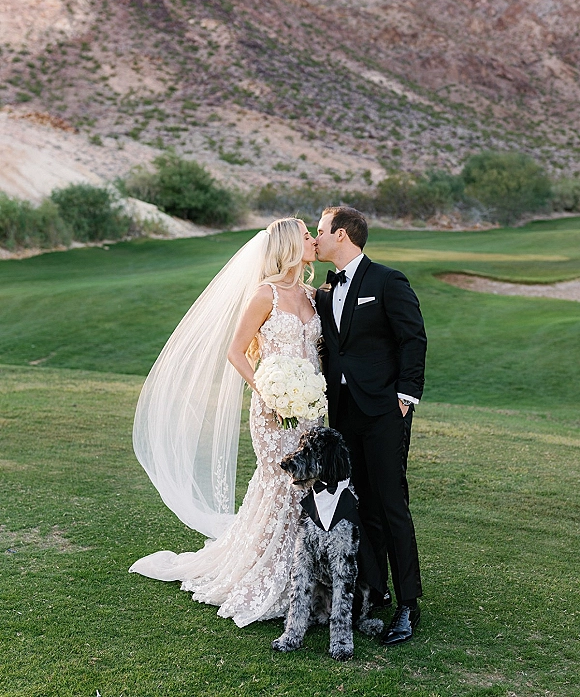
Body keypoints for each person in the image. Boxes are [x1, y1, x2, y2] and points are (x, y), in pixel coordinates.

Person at [129, 218, 322, 627]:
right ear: (289, 245)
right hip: (273, 411)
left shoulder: (311, 294)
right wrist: (268, 393)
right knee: (281, 484)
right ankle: (270, 577)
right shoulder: (263, 294)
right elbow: (236, 352)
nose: (314, 241)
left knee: (308, 488)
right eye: (307, 236)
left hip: (310, 409)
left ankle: (304, 578)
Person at [314, 206, 427, 645]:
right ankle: (374, 590)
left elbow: (412, 338)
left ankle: (408, 604)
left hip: (384, 410)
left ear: (341, 236)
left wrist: (405, 397)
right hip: (343, 413)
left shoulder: (387, 281)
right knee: (361, 504)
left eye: (320, 231)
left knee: (392, 503)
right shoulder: (325, 292)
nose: (316, 238)